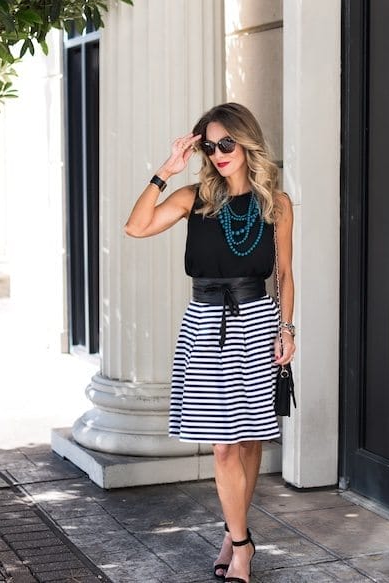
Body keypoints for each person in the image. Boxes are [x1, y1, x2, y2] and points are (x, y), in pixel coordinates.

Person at [124, 102, 295, 583]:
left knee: (250, 438)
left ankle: (231, 531)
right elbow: (135, 227)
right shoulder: (193, 198)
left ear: (246, 143)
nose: (220, 154)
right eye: (211, 145)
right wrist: (164, 171)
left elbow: (284, 274)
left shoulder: (275, 204)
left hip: (258, 322)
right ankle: (242, 546)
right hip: (204, 324)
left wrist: (288, 329)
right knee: (222, 446)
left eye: (228, 143)